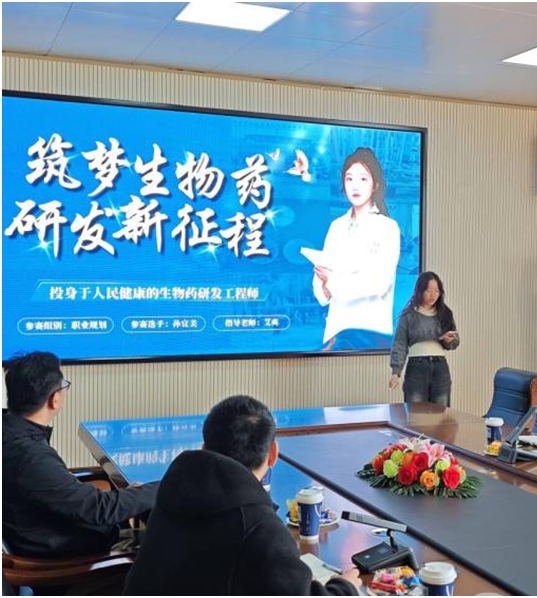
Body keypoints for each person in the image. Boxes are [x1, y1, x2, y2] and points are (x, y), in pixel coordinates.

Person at [124, 395, 360, 596]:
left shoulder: (173, 490)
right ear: (273, 454)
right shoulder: (258, 527)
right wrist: (345, 586)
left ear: (204, 448)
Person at [2, 351, 157, 558]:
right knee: (166, 542)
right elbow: (99, 510)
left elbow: (66, 494)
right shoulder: (30, 456)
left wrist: (134, 495)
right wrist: (164, 487)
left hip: (43, 530)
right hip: (60, 557)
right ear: (55, 399)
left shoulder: (12, 433)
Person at [312, 147, 400, 350]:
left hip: (370, 331)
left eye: (363, 179)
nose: (355, 186)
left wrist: (332, 280)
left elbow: (378, 283)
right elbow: (321, 283)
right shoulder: (336, 226)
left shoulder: (387, 227)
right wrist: (324, 284)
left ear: (375, 185)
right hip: (337, 329)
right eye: (349, 179)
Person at [389, 272, 460, 406]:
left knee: (441, 413)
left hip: (440, 367)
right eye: (428, 290)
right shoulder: (409, 315)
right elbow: (400, 344)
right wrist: (396, 372)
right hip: (416, 367)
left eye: (436, 291)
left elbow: (455, 342)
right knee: (416, 413)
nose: (433, 295)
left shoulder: (445, 313)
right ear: (420, 291)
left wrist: (450, 341)